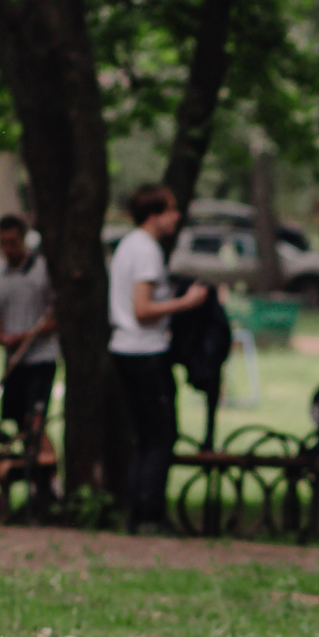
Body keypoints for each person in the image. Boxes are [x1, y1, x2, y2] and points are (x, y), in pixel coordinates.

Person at [108, 185, 211, 534]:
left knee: (145, 436)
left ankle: (137, 511)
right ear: (154, 215)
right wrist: (188, 302)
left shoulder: (127, 246)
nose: (177, 216)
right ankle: (150, 513)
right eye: (171, 210)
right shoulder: (147, 251)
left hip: (125, 349)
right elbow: (142, 309)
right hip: (145, 352)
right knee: (162, 435)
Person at [0, 213, 58, 440]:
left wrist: (27, 336)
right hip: (14, 360)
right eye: (3, 243)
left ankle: (46, 470)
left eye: (13, 243)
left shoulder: (42, 270)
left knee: (35, 420)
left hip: (41, 358)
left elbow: (55, 316)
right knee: (18, 421)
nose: (9, 249)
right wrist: (0, 336)